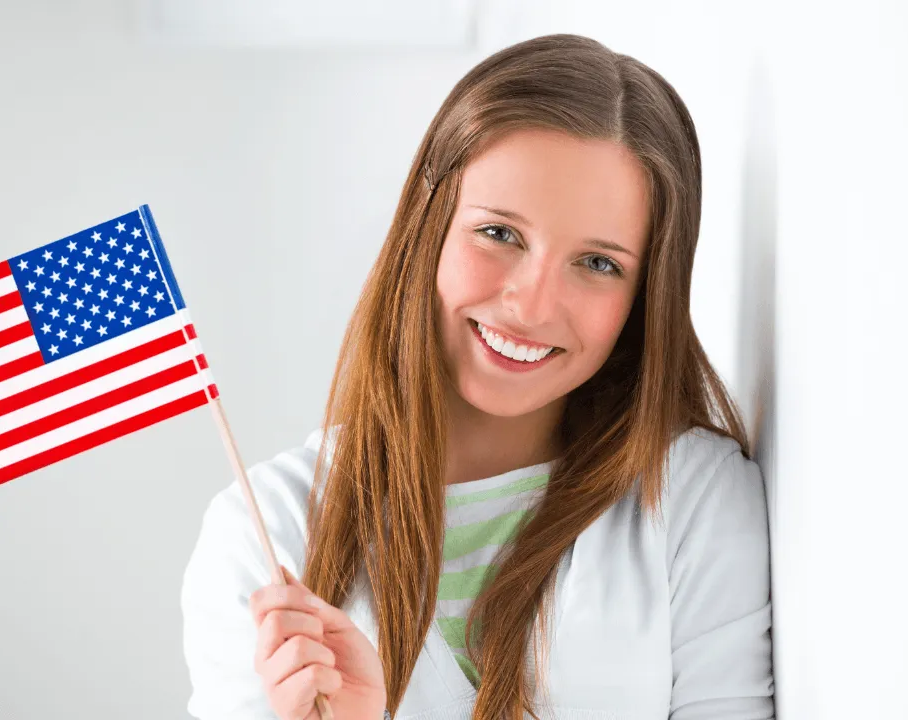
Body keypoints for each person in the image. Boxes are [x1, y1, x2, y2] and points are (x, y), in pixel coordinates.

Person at [181, 33, 774, 720]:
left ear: (645, 296)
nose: (531, 303)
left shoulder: (693, 500)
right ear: (427, 230)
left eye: (599, 264)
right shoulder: (267, 537)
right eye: (499, 234)